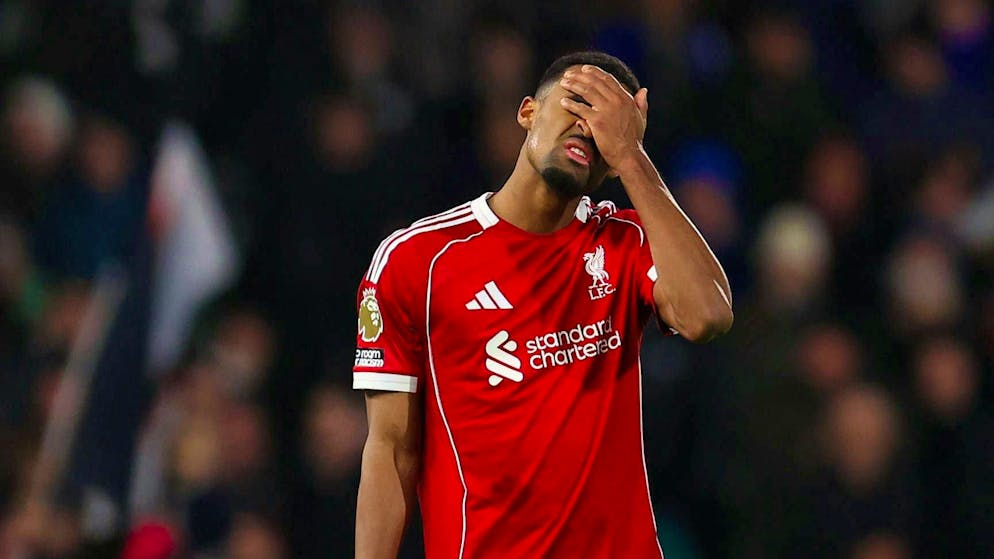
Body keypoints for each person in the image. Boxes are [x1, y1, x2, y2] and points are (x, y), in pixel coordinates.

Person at [352, 51, 733, 559]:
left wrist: (633, 159)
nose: (587, 129)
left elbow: (707, 315)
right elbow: (390, 452)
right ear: (528, 111)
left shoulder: (626, 244)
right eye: (577, 103)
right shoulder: (417, 261)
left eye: (608, 126)